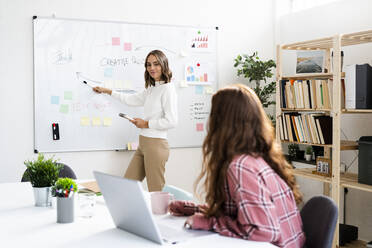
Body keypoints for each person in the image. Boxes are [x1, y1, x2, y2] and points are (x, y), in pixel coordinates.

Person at [169, 84, 305, 248]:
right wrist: (194, 209)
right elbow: (242, 213)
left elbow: (264, 231)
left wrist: (210, 222)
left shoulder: (241, 167)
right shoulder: (256, 157)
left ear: (222, 122)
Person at [93, 50, 178, 192]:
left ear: (164, 65)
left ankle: (159, 214)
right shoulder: (152, 89)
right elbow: (130, 99)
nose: (151, 68)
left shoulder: (167, 89)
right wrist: (107, 91)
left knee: (155, 192)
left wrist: (146, 124)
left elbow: (172, 121)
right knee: (127, 187)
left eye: (156, 64)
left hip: (156, 145)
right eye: (148, 64)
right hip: (144, 143)